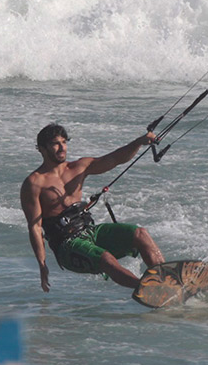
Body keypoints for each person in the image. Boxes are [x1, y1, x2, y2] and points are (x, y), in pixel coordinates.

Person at [20, 123, 165, 292]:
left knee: (141, 234)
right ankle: (148, 290)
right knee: (106, 259)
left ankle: (166, 278)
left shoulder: (78, 167)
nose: (62, 148)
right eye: (55, 143)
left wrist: (139, 142)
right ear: (42, 149)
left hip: (90, 232)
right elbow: (35, 227)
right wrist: (42, 264)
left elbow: (115, 159)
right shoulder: (34, 183)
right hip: (67, 245)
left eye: (64, 142)